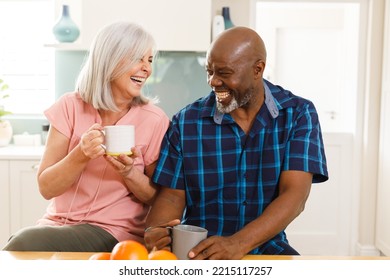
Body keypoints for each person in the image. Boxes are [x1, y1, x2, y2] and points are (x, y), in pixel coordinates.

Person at [144, 26, 328, 259]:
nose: (213, 81)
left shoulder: (298, 114)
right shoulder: (186, 121)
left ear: (258, 69)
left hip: (267, 247)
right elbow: (171, 196)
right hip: (198, 250)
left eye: (224, 73)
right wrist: (156, 231)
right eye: (209, 71)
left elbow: (295, 196)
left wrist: (237, 244)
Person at [2, 21, 170, 252]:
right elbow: (46, 188)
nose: (146, 68)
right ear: (109, 60)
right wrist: (81, 154)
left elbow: (158, 198)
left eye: (149, 60)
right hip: (56, 224)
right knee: (25, 246)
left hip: (114, 231)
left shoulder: (154, 119)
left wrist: (129, 172)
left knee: (23, 243)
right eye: (137, 59)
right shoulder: (69, 107)